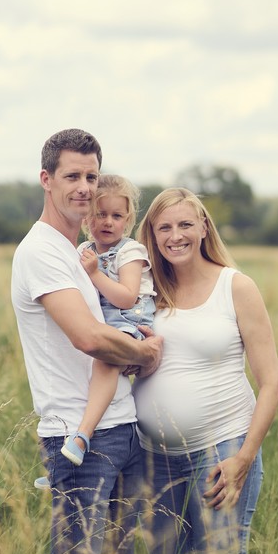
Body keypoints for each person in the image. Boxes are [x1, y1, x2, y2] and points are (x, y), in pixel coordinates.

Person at [10, 128, 163, 554]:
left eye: (91, 176)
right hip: (80, 441)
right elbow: (88, 336)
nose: (83, 187)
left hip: (122, 430)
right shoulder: (41, 252)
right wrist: (146, 352)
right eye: (71, 176)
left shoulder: (85, 253)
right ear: (46, 179)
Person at [134, 187, 278, 554]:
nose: (175, 236)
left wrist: (242, 459)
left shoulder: (234, 286)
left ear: (203, 228)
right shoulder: (145, 291)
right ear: (152, 236)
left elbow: (272, 383)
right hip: (156, 459)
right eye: (164, 228)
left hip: (221, 449)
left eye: (184, 225)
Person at [60, 174, 156, 466]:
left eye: (116, 216)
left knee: (105, 360)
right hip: (102, 323)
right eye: (100, 214)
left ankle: (82, 437)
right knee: (75, 379)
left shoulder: (130, 251)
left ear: (127, 220)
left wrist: (95, 273)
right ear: (87, 216)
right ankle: (62, 461)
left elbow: (127, 296)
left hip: (130, 321)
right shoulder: (83, 251)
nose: (108, 222)